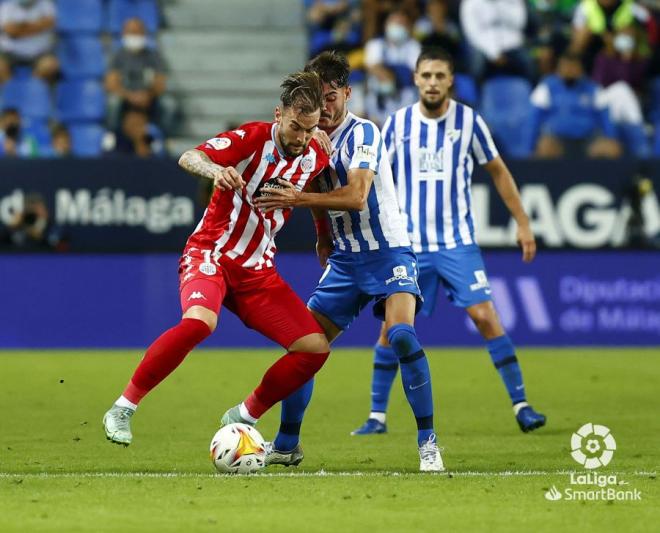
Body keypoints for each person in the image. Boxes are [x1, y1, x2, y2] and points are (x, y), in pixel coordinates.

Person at [102, 71, 332, 447]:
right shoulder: (253, 137)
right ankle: (123, 407)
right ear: (279, 114)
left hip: (257, 270)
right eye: (295, 128)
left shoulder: (315, 154)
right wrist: (216, 171)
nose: (302, 138)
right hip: (211, 252)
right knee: (199, 323)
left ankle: (243, 415)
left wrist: (322, 235)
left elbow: (320, 186)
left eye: (309, 130)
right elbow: (189, 156)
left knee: (314, 349)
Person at [243, 50, 444, 472]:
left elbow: (355, 196)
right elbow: (317, 181)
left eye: (331, 95)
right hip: (347, 260)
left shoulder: (363, 133)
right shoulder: (312, 138)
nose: (325, 104)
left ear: (347, 93)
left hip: (388, 250)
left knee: (402, 335)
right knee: (307, 348)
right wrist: (320, 233)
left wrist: (297, 200)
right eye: (318, 96)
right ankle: (286, 444)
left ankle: (428, 442)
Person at [349, 48, 546, 437]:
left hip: (457, 243)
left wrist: (523, 223)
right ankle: (376, 416)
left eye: (440, 75)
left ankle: (522, 406)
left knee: (486, 317)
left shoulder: (470, 122)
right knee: (392, 327)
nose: (433, 82)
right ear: (416, 79)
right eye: (426, 75)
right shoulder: (397, 124)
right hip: (407, 245)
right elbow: (371, 175)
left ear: (451, 79)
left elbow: (499, 172)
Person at [530, 52, 623, 158]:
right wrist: (529, 148)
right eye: (565, 67)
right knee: (545, 147)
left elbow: (606, 120)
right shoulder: (546, 87)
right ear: (558, 69)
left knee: (611, 149)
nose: (569, 71)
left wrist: (611, 139)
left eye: (573, 67)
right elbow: (534, 119)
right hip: (557, 140)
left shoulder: (593, 89)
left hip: (588, 140)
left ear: (580, 69)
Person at [105, 18, 176, 134]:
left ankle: (163, 137)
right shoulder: (117, 56)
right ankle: (112, 135)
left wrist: (148, 94)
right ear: (124, 34)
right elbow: (111, 83)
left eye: (138, 32)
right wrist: (130, 96)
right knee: (113, 102)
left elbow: (160, 82)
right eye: (131, 32)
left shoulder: (153, 56)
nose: (134, 36)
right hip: (125, 98)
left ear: (144, 34)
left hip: (149, 98)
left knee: (169, 104)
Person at [0, 0, 59, 84]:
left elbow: (49, 22)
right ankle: (12, 91)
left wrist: (20, 28)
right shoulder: (7, 6)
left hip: (41, 52)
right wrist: (38, 26)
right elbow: (10, 30)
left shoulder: (46, 4)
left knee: (50, 65)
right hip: (10, 52)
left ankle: (31, 89)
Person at [0, 192, 66, 251]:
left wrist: (41, 237)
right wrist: (12, 227)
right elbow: (4, 243)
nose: (36, 211)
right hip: (18, 261)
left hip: (48, 261)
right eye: (32, 208)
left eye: (39, 207)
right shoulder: (20, 226)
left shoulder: (53, 226)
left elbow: (64, 247)